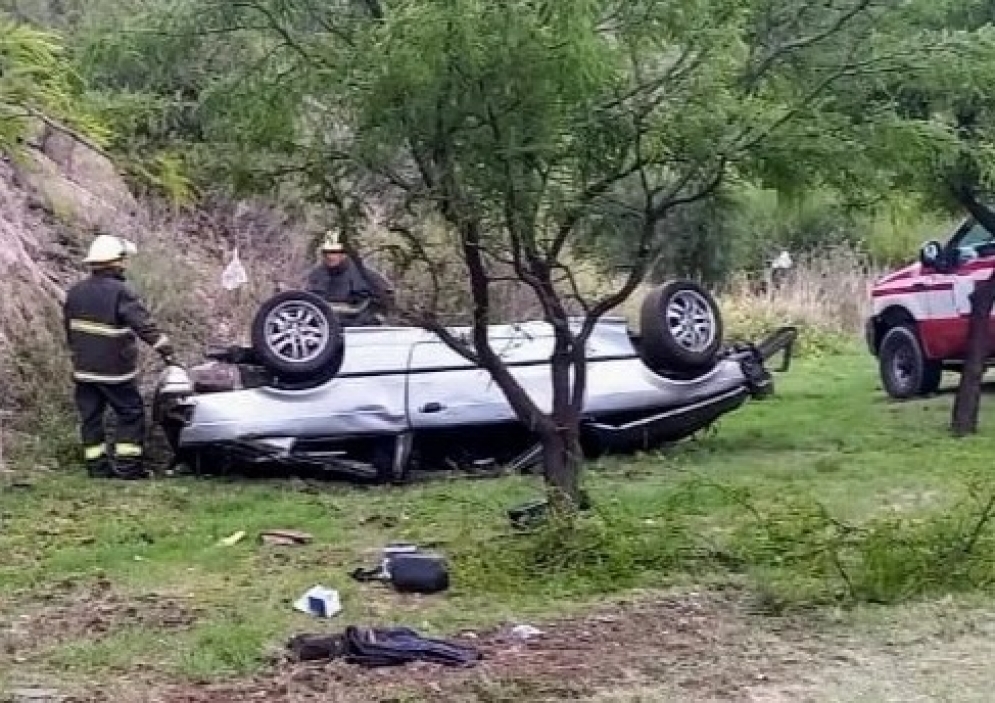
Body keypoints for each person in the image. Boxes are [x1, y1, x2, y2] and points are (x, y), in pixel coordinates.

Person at [63, 233, 175, 479]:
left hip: (83, 370)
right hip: (114, 371)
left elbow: (70, 331)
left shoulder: (75, 292)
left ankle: (97, 468)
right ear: (116, 261)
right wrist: (166, 351)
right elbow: (143, 326)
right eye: (124, 259)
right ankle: (128, 468)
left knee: (91, 418)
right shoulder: (120, 291)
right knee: (130, 412)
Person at [305, 231, 395, 326]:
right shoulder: (316, 275)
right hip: (324, 327)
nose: (329, 256)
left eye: (334, 252)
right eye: (326, 252)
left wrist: (369, 320)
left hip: (357, 329)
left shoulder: (364, 274)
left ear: (344, 254)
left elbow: (386, 298)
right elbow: (309, 302)